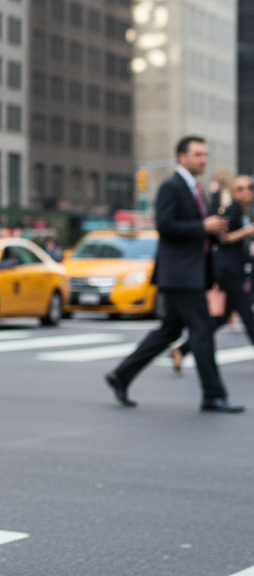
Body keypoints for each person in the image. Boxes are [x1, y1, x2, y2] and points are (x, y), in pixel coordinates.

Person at [105, 137, 243, 413]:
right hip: (180, 274)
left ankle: (121, 375)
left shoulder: (196, 188)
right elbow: (165, 226)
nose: (203, 159)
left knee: (170, 330)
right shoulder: (172, 186)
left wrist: (214, 233)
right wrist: (203, 226)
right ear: (182, 157)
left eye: (205, 154)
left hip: (190, 273)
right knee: (202, 330)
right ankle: (213, 395)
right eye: (197, 155)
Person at [171, 174, 254, 371]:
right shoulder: (231, 211)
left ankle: (182, 349)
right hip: (227, 270)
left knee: (222, 317)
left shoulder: (245, 211)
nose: (246, 191)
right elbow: (222, 237)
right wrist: (247, 232)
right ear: (233, 192)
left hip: (237, 269)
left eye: (249, 187)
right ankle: (182, 349)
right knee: (247, 314)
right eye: (240, 188)